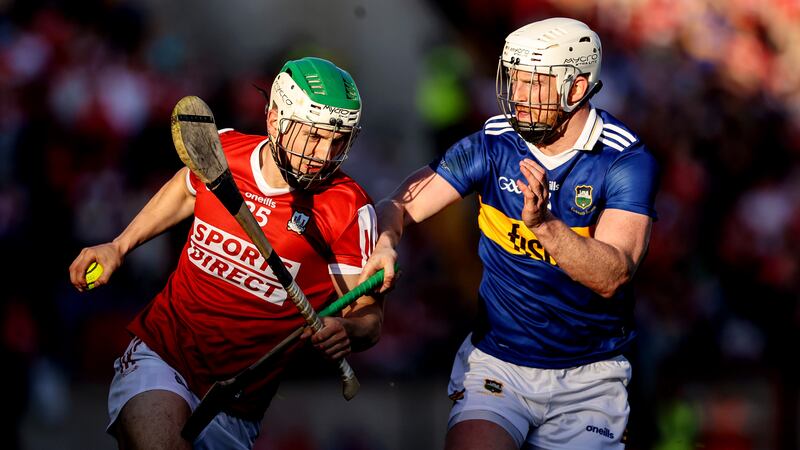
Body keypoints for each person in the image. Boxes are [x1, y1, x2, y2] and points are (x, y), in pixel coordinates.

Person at [360, 17, 659, 450]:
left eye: (533, 83)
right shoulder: (492, 143)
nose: (517, 96)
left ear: (576, 89)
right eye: (513, 79)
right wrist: (386, 242)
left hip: (590, 375)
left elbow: (611, 274)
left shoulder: (624, 159)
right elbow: (401, 204)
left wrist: (543, 226)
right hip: (497, 362)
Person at [69, 57, 383, 449]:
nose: (325, 152)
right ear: (275, 121)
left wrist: (348, 329)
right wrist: (119, 245)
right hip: (163, 356)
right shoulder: (225, 152)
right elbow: (185, 188)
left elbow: (369, 316)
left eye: (338, 140)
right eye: (314, 136)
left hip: (237, 405)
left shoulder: (347, 207)